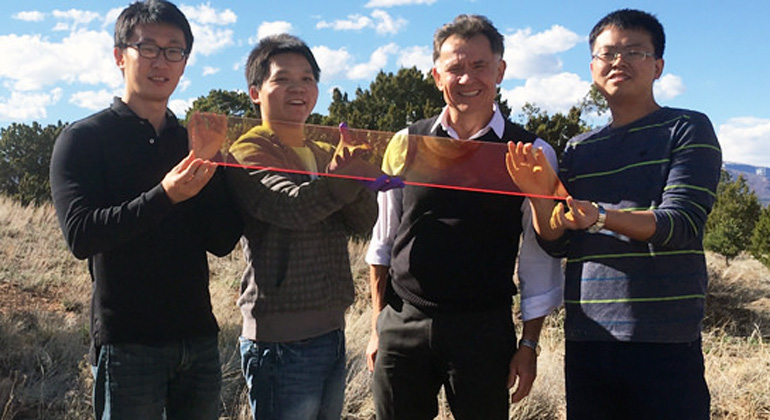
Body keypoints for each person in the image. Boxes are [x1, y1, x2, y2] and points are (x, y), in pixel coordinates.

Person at [506, 9, 721, 420]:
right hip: (589, 336)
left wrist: (601, 216)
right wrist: (538, 197)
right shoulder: (578, 148)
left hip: (663, 339)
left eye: (634, 52)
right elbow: (559, 242)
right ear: (592, 68)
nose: (618, 61)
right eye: (607, 54)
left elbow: (681, 223)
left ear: (658, 66)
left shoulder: (687, 128)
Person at [49, 1, 243, 419]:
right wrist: (166, 194)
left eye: (175, 50)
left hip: (199, 340)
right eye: (148, 47)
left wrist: (225, 172)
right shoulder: (83, 139)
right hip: (126, 343)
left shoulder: (190, 141)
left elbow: (223, 241)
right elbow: (82, 236)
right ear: (120, 56)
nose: (162, 60)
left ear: (185, 62)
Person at [365, 14, 564, 420]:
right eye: (455, 67)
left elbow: (538, 255)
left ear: (500, 71)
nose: (467, 78)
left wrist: (528, 345)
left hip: (484, 331)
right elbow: (383, 241)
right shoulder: (406, 143)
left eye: (479, 66)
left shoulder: (531, 152)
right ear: (436, 75)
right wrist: (377, 327)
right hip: (403, 322)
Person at [225, 34, 380, 420]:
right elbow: (289, 207)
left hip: (332, 330)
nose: (298, 88)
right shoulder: (248, 151)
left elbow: (363, 223)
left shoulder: (324, 153)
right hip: (279, 342)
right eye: (282, 79)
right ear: (255, 93)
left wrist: (356, 179)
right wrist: (345, 181)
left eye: (308, 78)